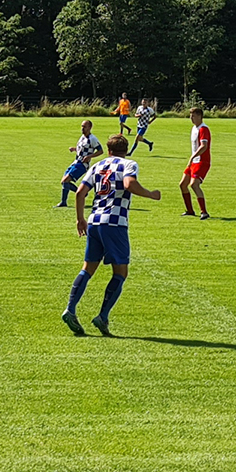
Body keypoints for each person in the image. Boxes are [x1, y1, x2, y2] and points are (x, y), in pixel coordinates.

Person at [62, 134, 162, 337]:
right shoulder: (129, 164)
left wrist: (80, 219)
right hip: (115, 223)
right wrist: (151, 194)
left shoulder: (97, 166)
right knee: (120, 272)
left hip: (94, 221)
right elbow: (129, 184)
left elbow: (80, 192)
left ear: (108, 150)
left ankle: (70, 309)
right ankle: (103, 316)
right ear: (125, 150)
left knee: (88, 268)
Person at [56, 119, 103, 207]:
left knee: (66, 181)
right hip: (76, 161)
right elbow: (82, 149)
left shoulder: (92, 139)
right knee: (63, 182)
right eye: (82, 126)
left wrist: (89, 156)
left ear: (90, 127)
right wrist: (75, 149)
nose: (82, 128)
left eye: (85, 127)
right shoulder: (82, 137)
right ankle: (81, 193)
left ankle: (64, 202)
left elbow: (100, 151)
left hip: (82, 164)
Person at [179, 106, 212, 218]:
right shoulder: (194, 128)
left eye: (193, 116)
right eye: (190, 116)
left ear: (200, 116)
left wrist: (193, 156)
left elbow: (204, 146)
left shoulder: (203, 129)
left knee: (194, 184)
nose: (191, 118)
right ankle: (190, 211)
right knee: (183, 185)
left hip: (202, 161)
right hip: (194, 161)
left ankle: (204, 212)